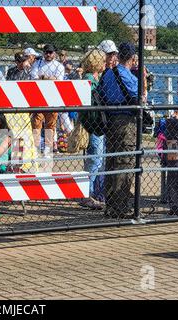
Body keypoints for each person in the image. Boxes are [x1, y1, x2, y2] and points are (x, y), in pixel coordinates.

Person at [97, 42, 138, 218]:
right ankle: (120, 207)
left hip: (109, 120)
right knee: (125, 163)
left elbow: (101, 93)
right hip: (126, 121)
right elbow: (140, 96)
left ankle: (110, 204)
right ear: (133, 58)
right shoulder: (129, 76)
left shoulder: (107, 74)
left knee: (111, 161)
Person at [78, 49, 107, 210]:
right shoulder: (90, 80)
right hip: (92, 125)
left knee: (97, 158)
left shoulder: (96, 78)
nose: (105, 63)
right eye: (102, 61)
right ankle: (86, 194)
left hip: (96, 125)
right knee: (94, 159)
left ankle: (88, 192)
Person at [30, 44, 65, 157]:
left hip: (53, 97)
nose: (48, 54)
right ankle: (36, 147)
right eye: (46, 52)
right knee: (37, 122)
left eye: (50, 52)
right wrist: (50, 78)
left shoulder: (59, 66)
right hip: (38, 97)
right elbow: (34, 78)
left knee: (51, 124)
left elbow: (58, 81)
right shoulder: (37, 63)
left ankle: (48, 148)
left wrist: (43, 78)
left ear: (54, 53)